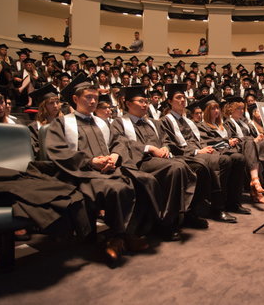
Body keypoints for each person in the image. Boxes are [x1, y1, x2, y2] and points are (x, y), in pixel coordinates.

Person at [45, 73, 157, 265]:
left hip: (108, 168)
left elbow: (119, 142)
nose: (93, 101)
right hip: (82, 173)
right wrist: (90, 161)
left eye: (95, 97)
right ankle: (118, 237)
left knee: (145, 180)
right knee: (117, 188)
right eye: (88, 97)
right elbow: (57, 151)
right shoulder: (62, 123)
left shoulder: (102, 122)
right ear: (75, 99)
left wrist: (115, 155)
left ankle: (129, 233)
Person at [110, 86, 198, 240]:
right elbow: (120, 142)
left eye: (146, 102)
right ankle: (165, 223)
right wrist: (149, 148)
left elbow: (165, 139)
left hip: (160, 159)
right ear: (128, 103)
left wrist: (164, 146)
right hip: (139, 161)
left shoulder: (153, 122)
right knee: (175, 168)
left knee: (193, 165)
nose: (145, 105)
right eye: (141, 101)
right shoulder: (119, 122)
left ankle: (184, 214)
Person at [160, 83, 237, 223]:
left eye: (183, 97)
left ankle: (223, 204)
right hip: (184, 155)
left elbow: (199, 139)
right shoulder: (165, 121)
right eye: (178, 98)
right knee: (223, 161)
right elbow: (171, 144)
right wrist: (197, 151)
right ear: (170, 101)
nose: (183, 100)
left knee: (231, 158)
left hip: (199, 151)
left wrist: (206, 148)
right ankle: (216, 209)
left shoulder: (188, 121)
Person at [196, 95, 251, 214]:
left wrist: (233, 141)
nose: (216, 111)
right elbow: (207, 142)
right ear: (206, 111)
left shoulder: (222, 126)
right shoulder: (201, 126)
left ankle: (234, 203)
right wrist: (227, 142)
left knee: (239, 158)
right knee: (226, 160)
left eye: (217, 108)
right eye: (212, 109)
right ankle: (219, 206)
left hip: (228, 151)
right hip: (216, 153)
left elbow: (233, 137)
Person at [27, 83, 63, 159]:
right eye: (51, 103)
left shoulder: (65, 122)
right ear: (43, 106)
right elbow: (35, 150)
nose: (56, 106)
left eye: (57, 102)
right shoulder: (34, 127)